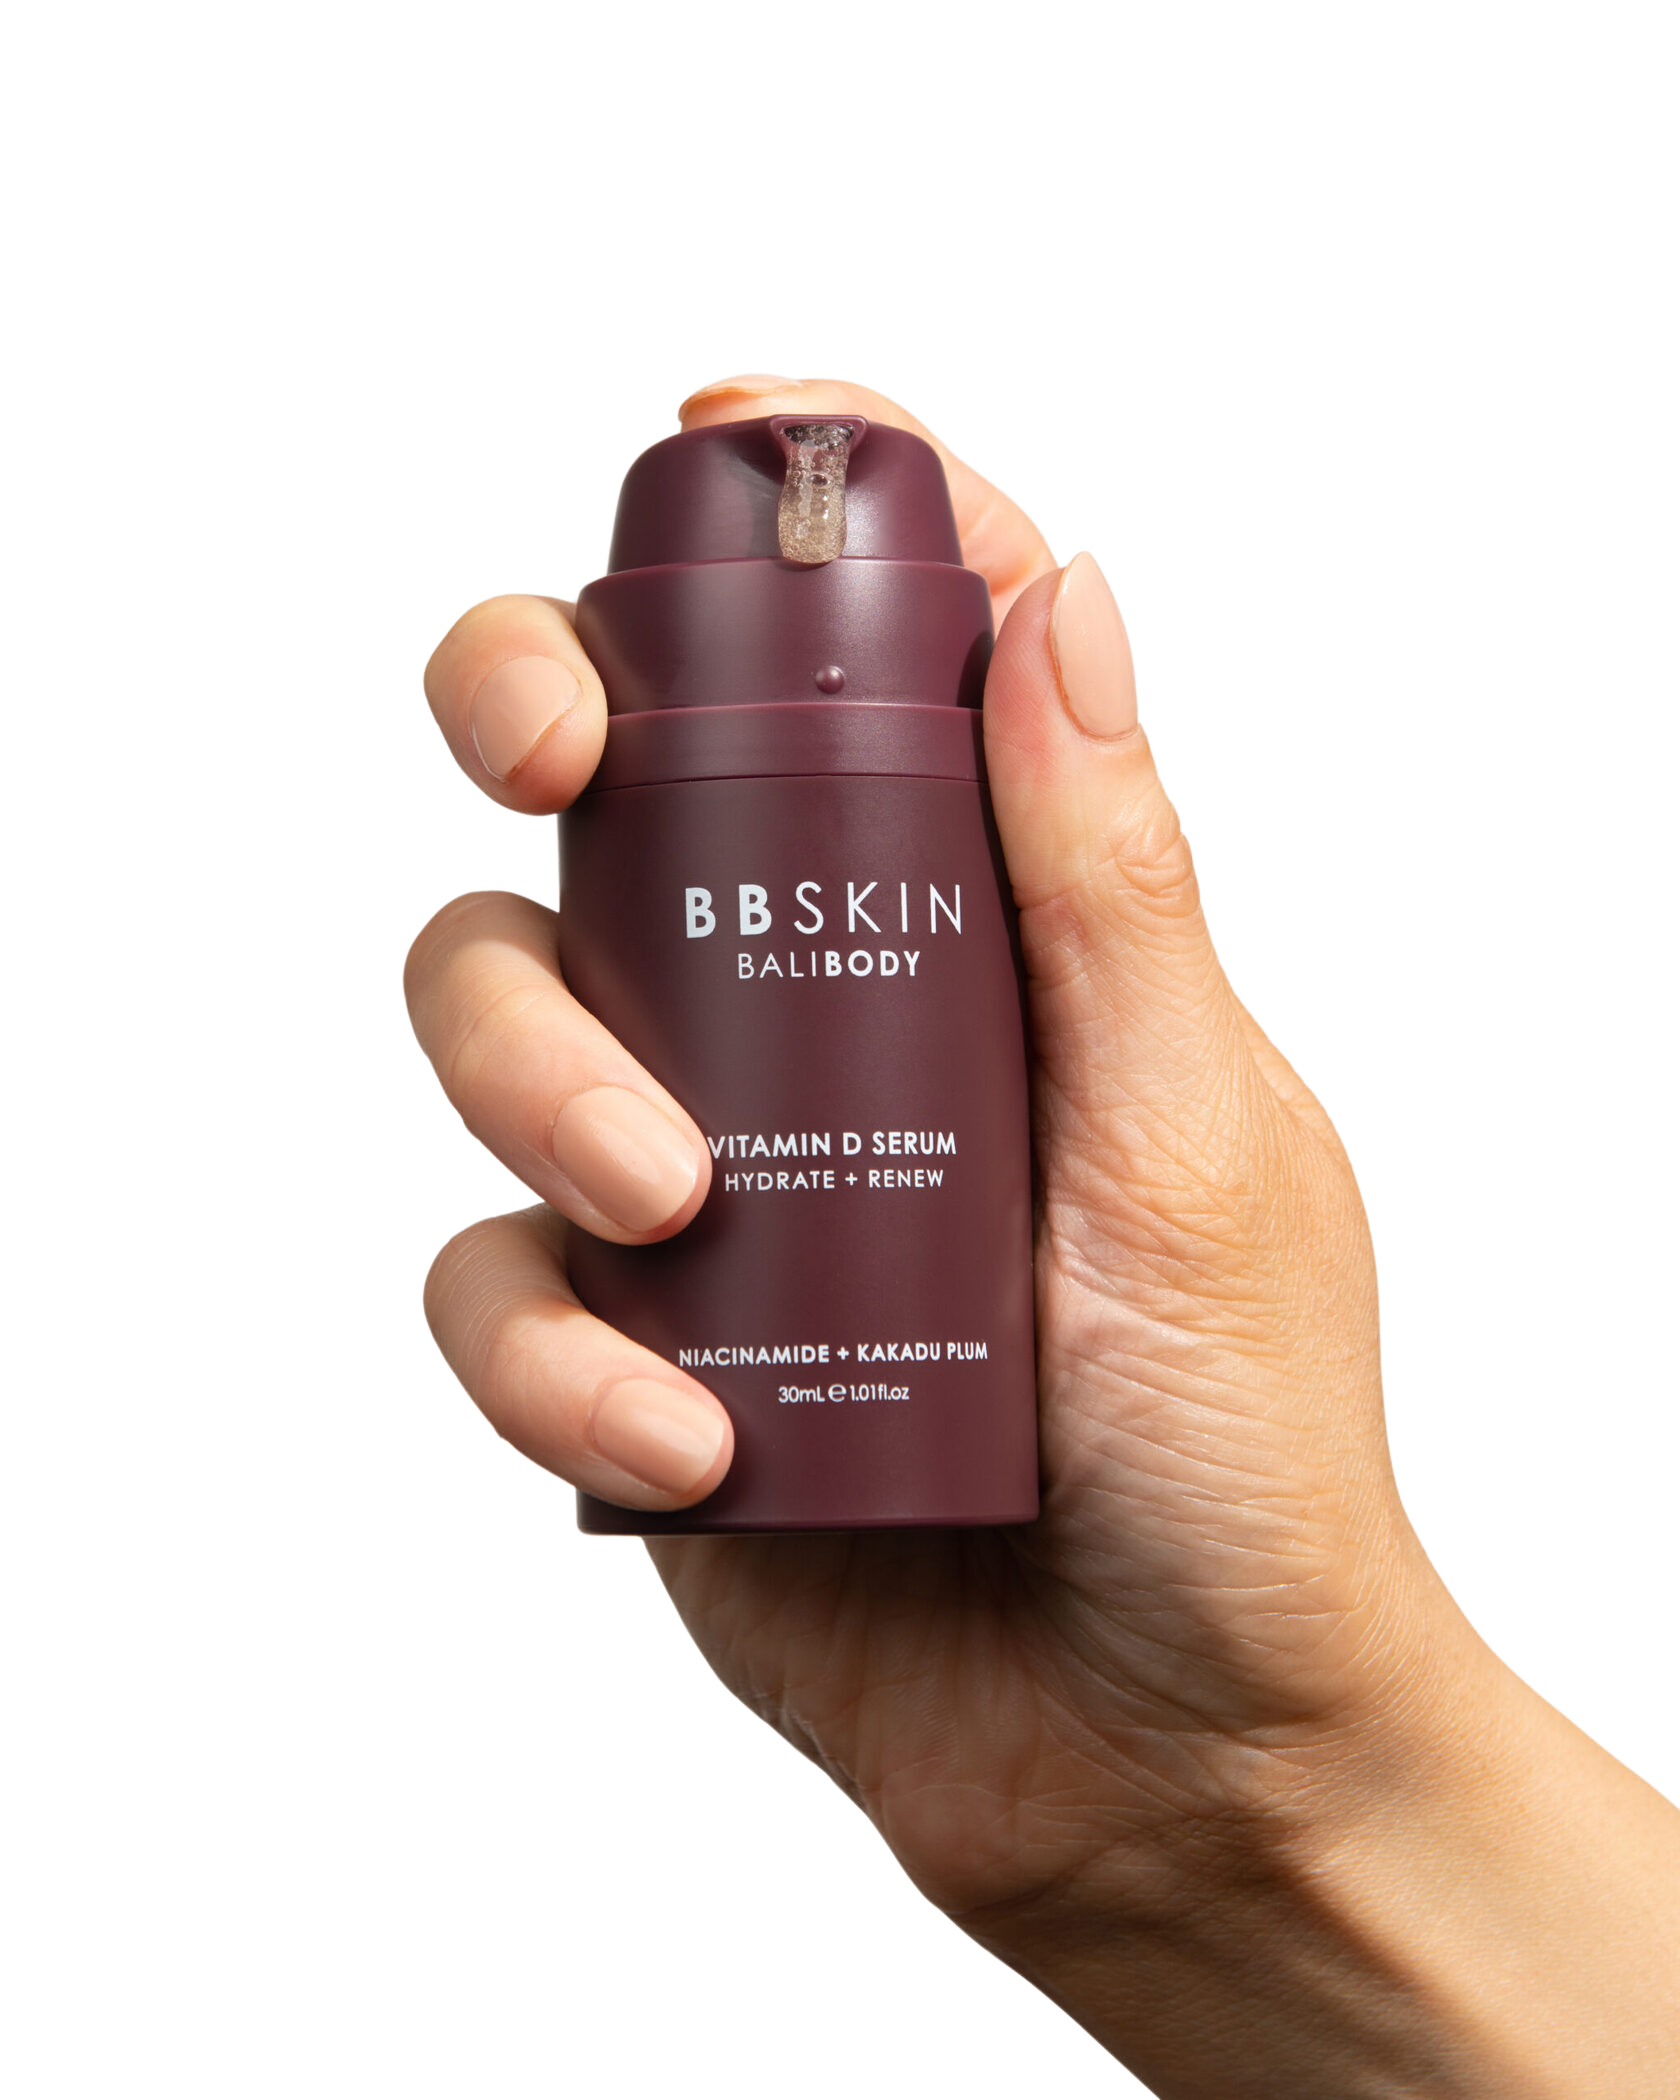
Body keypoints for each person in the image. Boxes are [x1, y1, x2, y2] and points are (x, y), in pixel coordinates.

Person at [404, 373, 1678, 2095]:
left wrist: (1308, 1789)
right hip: (817, 1501)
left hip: (1047, 1511)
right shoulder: (653, 750)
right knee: (593, 1118)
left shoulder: (982, 759)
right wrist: (1224, 1839)